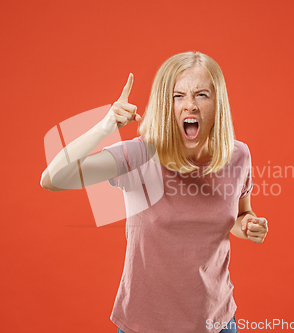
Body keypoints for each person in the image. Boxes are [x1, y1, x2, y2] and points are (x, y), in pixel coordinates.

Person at [40, 51, 268, 333]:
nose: (190, 106)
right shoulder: (140, 155)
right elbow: (53, 178)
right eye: (178, 96)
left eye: (201, 95)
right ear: (164, 102)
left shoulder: (237, 156)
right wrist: (105, 126)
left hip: (216, 322)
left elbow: (238, 214)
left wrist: (247, 224)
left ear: (217, 102)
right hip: (145, 325)